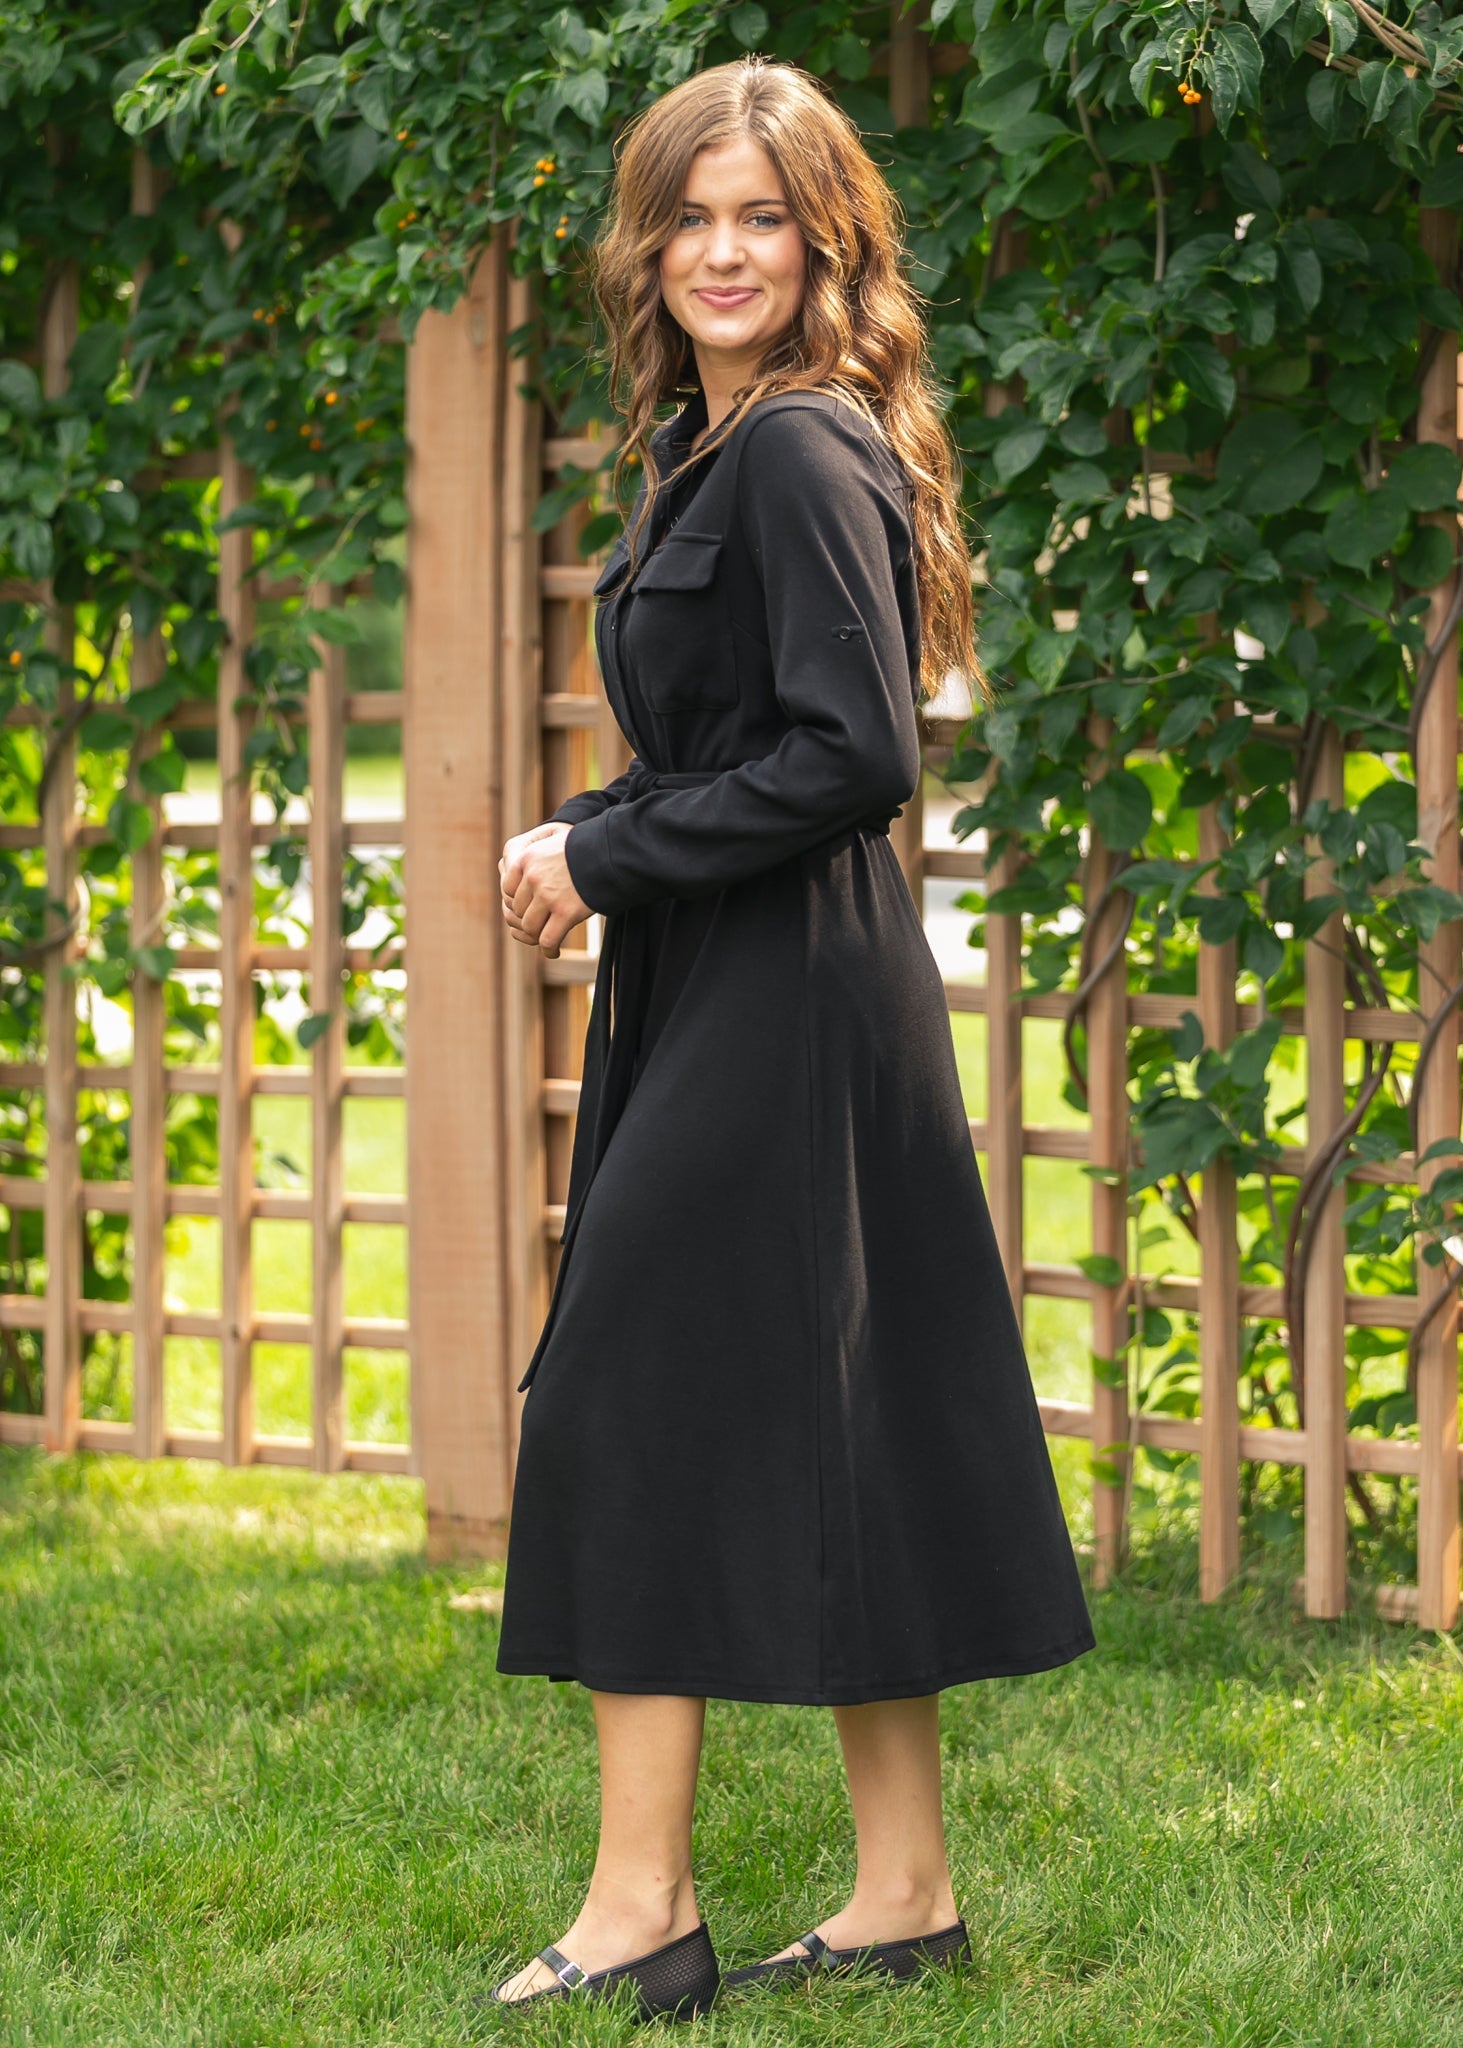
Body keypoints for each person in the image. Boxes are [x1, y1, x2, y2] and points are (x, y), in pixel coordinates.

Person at [491, 54, 1094, 2022]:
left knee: (611, 1394)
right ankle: (904, 1893)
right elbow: (759, 738)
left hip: (795, 991)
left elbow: (856, 753)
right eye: (693, 217)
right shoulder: (714, 442)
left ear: (826, 243)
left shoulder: (798, 450)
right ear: (648, 245)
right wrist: (612, 840)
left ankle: (639, 1909)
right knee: (852, 1415)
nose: (725, 252)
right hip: (743, 972)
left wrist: (605, 848)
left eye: (764, 217)